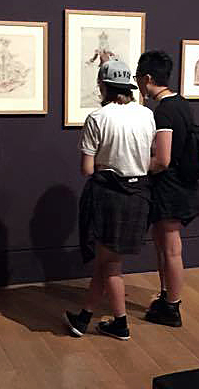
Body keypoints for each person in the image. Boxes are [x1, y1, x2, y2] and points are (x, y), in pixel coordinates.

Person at [66, 59, 156, 340]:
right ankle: (87, 319)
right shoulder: (146, 115)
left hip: (109, 196)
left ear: (103, 86)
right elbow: (151, 157)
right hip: (139, 195)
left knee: (110, 264)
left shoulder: (97, 118)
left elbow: (87, 169)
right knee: (107, 262)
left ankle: (117, 323)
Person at [135, 50, 199, 327]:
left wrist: (137, 166)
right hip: (182, 185)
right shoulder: (181, 103)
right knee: (166, 245)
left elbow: (162, 159)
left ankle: (172, 306)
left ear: (147, 78)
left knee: (171, 248)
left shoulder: (163, 111)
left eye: (138, 78)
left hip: (169, 189)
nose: (138, 83)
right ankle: (167, 298)